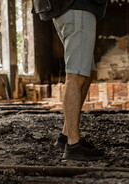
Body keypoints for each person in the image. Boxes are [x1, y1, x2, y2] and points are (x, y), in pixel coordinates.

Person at [33, 0, 107, 161]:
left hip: (69, 8)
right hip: (76, 7)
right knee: (76, 75)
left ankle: (66, 136)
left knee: (87, 72)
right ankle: (74, 145)